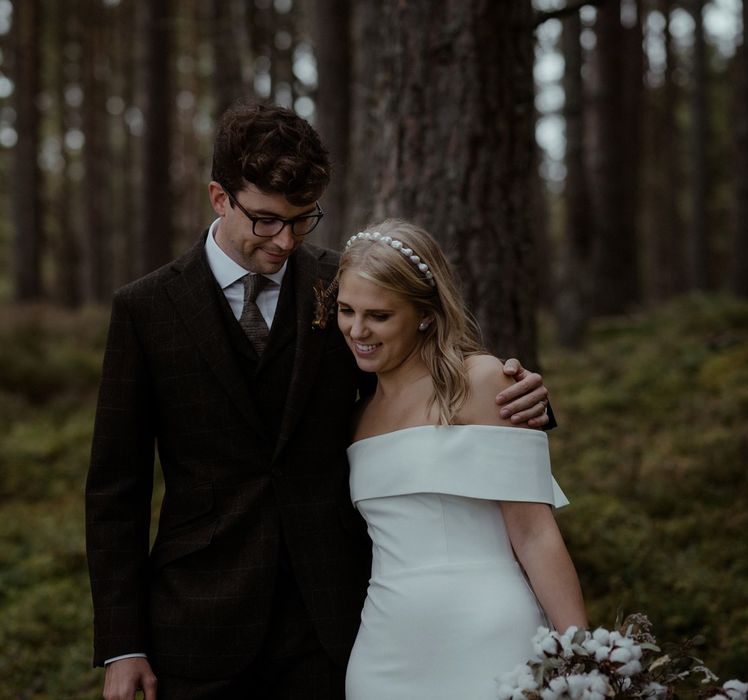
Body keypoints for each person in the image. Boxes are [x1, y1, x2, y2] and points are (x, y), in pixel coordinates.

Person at [85, 100, 552, 700]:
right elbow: (115, 489)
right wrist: (124, 644)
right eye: (267, 220)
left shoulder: (346, 286)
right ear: (219, 197)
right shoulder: (145, 309)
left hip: (335, 616)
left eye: (303, 220)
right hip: (198, 619)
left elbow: (429, 375)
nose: (286, 240)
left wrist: (524, 396)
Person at [336, 220, 587, 700]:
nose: (358, 330)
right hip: (384, 646)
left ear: (426, 314)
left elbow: (535, 534)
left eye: (379, 316)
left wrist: (582, 655)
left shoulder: (484, 382)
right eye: (347, 310)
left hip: (490, 634)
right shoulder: (354, 416)